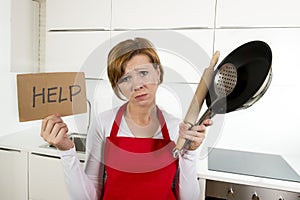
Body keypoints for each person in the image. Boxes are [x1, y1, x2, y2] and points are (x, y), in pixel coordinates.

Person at [40, 37, 213, 200]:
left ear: (158, 73)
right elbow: (88, 196)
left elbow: (188, 198)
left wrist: (190, 152)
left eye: (144, 73)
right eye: (126, 78)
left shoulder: (177, 128)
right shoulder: (104, 123)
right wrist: (66, 151)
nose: (137, 85)